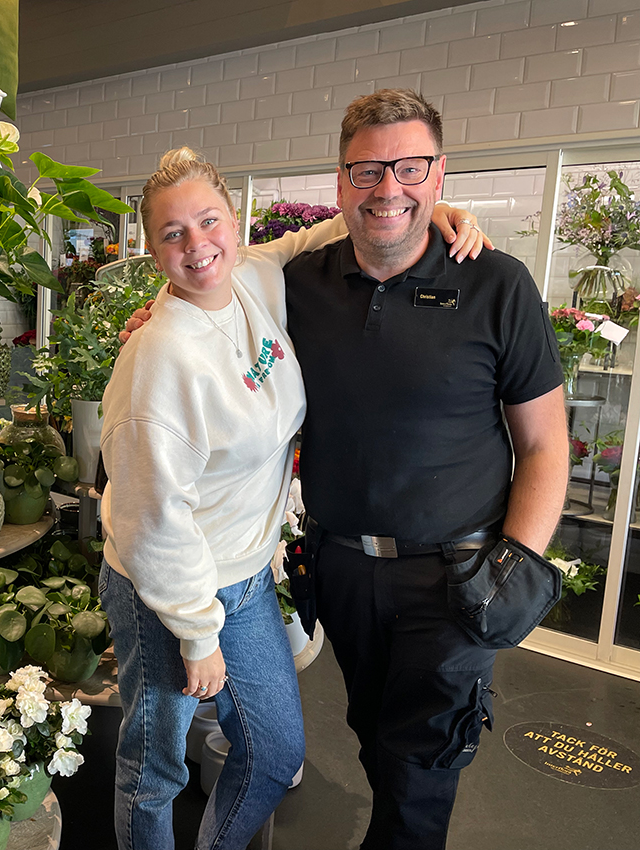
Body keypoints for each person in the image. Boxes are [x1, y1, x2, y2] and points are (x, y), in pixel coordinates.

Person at [98, 145, 486, 850]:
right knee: (155, 769)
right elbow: (151, 520)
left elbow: (331, 231)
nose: (197, 245)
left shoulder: (254, 276)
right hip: (167, 589)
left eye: (208, 221)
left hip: (245, 575)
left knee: (275, 756)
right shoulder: (160, 357)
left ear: (235, 221)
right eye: (172, 233)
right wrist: (197, 634)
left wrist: (430, 212)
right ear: (151, 250)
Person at [281, 89, 568, 850]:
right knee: (375, 738)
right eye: (368, 171)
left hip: (458, 577)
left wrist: (514, 564)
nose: (389, 188)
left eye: (410, 168)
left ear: (440, 174)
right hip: (341, 569)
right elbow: (215, 284)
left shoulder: (498, 285)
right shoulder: (300, 286)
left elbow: (546, 445)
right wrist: (161, 315)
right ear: (341, 181)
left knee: (420, 770)